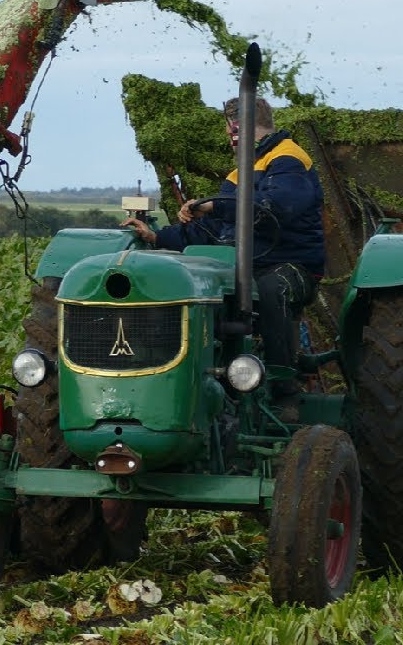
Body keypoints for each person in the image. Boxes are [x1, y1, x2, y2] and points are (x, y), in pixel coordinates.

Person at [122, 97, 325, 419]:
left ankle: (284, 389)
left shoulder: (289, 159)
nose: (229, 139)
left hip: (292, 264)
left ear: (236, 129)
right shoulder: (237, 175)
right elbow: (213, 231)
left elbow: (275, 207)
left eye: (230, 131)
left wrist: (214, 206)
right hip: (240, 263)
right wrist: (157, 237)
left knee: (272, 289)